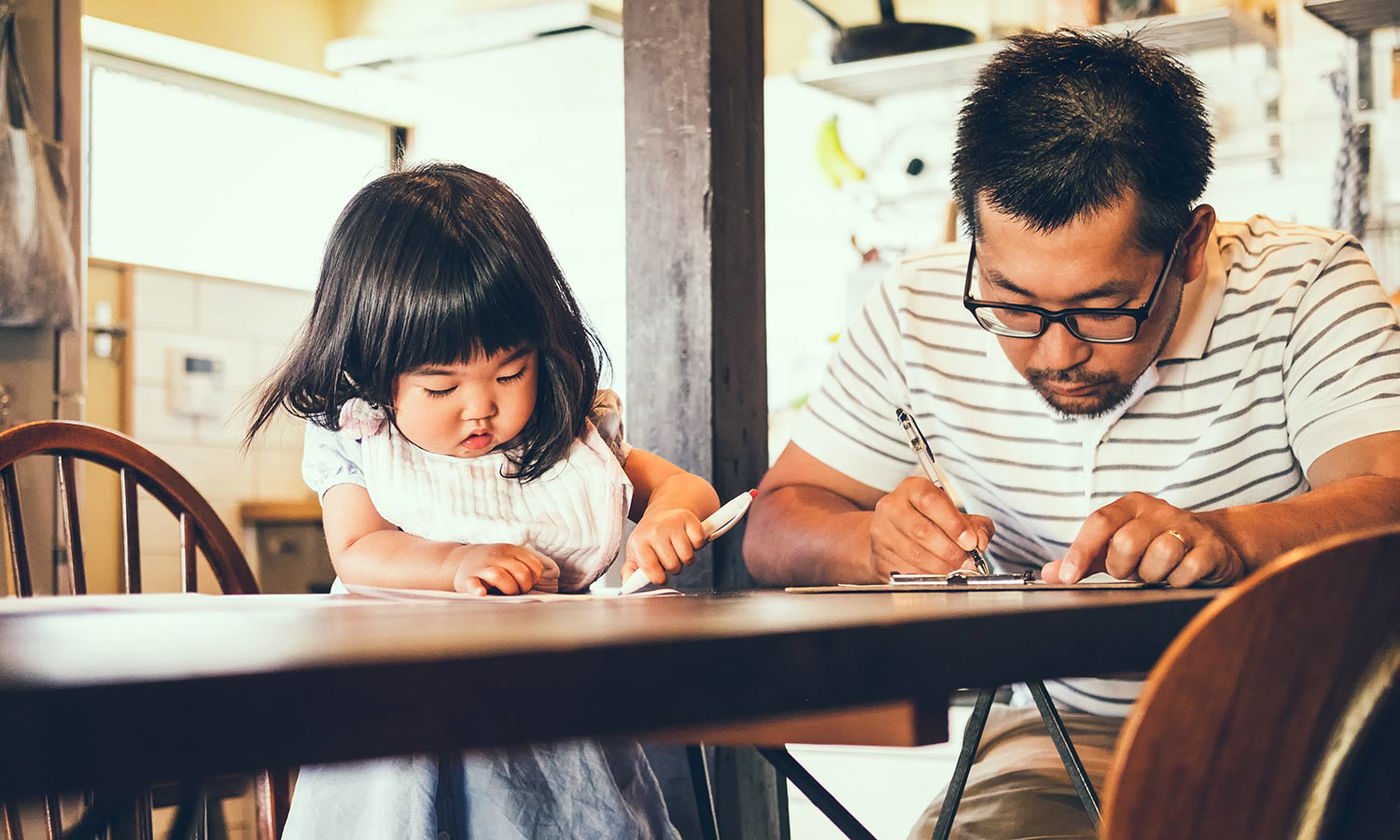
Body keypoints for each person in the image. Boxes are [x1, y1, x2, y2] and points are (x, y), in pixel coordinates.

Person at [743, 30, 1400, 840]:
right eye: (1013, 303)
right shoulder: (915, 306)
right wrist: (871, 542)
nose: (1056, 354)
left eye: (1103, 310)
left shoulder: (1306, 285)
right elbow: (774, 523)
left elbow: (1390, 492)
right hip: (1054, 745)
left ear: (1191, 245)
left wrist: (1230, 537)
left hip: (1299, 730)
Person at [246, 162, 719, 839]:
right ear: (374, 367)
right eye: (441, 388)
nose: (481, 409)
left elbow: (682, 486)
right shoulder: (362, 434)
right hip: (401, 724)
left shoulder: (569, 434)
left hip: (557, 724)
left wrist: (673, 513)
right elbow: (358, 551)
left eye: (510, 372)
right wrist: (456, 563)